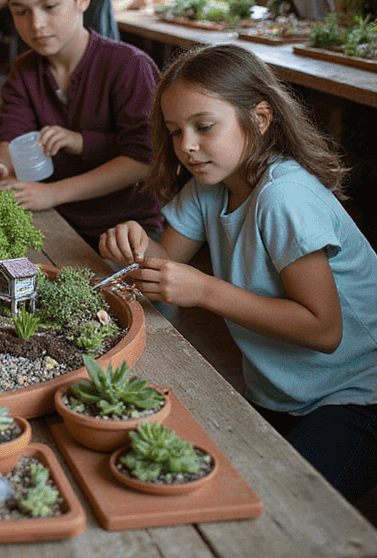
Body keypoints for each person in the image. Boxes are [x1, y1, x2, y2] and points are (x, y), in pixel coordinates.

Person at [100, 44, 377, 503]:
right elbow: (165, 264)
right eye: (175, 132)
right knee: (208, 488)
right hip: (281, 394)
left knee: (286, 509)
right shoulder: (210, 186)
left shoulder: (284, 197)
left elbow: (325, 329)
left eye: (204, 127)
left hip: (356, 397)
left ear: (260, 119)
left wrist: (207, 290)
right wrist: (133, 241)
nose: (187, 145)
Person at [0, 0, 162, 240]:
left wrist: (53, 193)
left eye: (49, 6)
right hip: (50, 218)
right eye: (21, 11)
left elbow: (144, 161)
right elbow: (12, 133)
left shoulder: (129, 66)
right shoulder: (23, 70)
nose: (36, 24)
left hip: (125, 229)